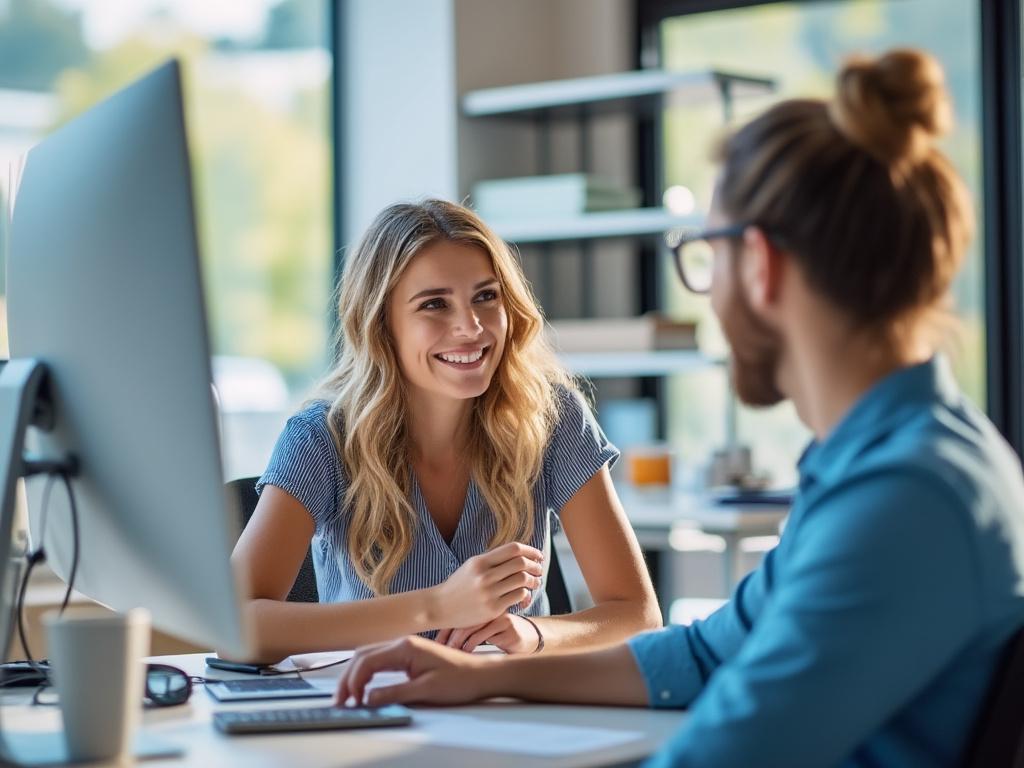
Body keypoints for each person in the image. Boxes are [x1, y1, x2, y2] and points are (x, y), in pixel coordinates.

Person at [333, 49, 1024, 767]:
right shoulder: (882, 465)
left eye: (706, 253)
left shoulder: (904, 500)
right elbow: (702, 655)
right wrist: (486, 677)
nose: (705, 290)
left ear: (759, 265)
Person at [232, 199, 661, 663]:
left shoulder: (552, 417)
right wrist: (437, 606)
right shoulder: (321, 437)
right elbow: (235, 627)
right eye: (434, 304)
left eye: (485, 297)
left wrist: (532, 632)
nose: (471, 327)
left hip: (509, 707)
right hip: (375, 710)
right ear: (382, 325)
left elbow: (637, 614)